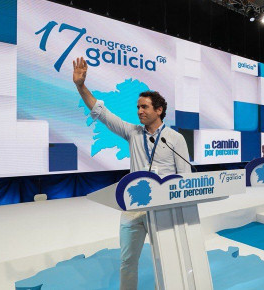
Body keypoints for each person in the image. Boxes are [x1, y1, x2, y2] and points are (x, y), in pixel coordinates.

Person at [73, 57, 192, 290]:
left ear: (159, 110)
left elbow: (185, 178)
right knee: (127, 262)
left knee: (166, 262)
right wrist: (80, 86)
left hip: (163, 210)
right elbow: (102, 113)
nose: (139, 111)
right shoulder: (133, 133)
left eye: (144, 107)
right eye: (138, 107)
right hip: (133, 209)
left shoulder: (176, 139)